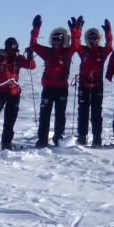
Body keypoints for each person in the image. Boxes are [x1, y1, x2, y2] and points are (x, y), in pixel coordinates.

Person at [30, 15, 82, 147]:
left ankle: (58, 138)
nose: (56, 42)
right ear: (51, 40)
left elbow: (76, 46)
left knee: (60, 115)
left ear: (63, 41)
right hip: (48, 88)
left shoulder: (67, 52)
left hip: (61, 88)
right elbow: (33, 45)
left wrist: (75, 31)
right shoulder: (47, 52)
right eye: (54, 39)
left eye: (59, 40)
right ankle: (42, 139)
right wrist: (36, 29)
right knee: (44, 115)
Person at [0, 37, 36, 151]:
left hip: (14, 93)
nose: (13, 50)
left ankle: (6, 143)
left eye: (15, 47)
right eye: (11, 48)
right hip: (0, 92)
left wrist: (30, 56)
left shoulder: (19, 58)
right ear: (6, 47)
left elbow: (31, 66)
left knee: (10, 119)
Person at [75, 20, 113, 147]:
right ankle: (82, 136)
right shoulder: (83, 50)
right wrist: (78, 30)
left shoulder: (101, 52)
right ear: (87, 39)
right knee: (83, 112)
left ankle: (97, 137)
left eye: (95, 37)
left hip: (97, 86)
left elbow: (109, 47)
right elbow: (75, 45)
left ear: (98, 39)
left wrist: (108, 33)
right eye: (90, 37)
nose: (93, 39)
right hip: (83, 86)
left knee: (96, 112)